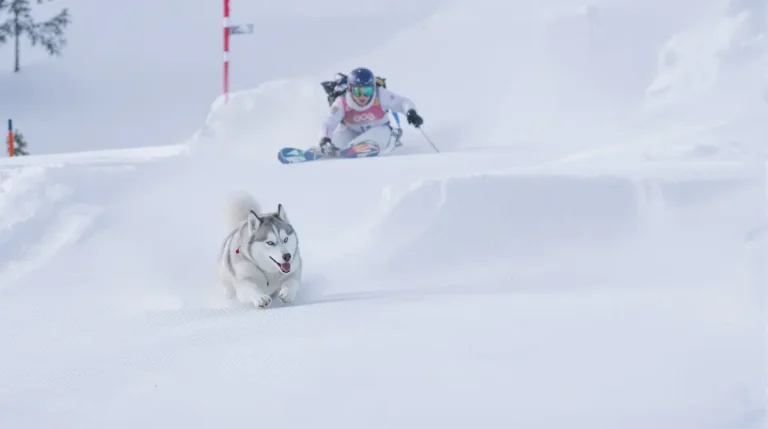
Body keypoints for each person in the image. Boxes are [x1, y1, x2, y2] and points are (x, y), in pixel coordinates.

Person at [316, 67, 424, 157]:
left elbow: (403, 102)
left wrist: (411, 112)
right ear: (349, 89)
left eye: (367, 91)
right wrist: (325, 139)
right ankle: (323, 152)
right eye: (357, 91)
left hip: (380, 131)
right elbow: (328, 122)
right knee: (334, 142)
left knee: (378, 134)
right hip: (351, 132)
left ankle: (352, 149)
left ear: (373, 88)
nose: (362, 96)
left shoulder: (380, 94)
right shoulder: (342, 101)